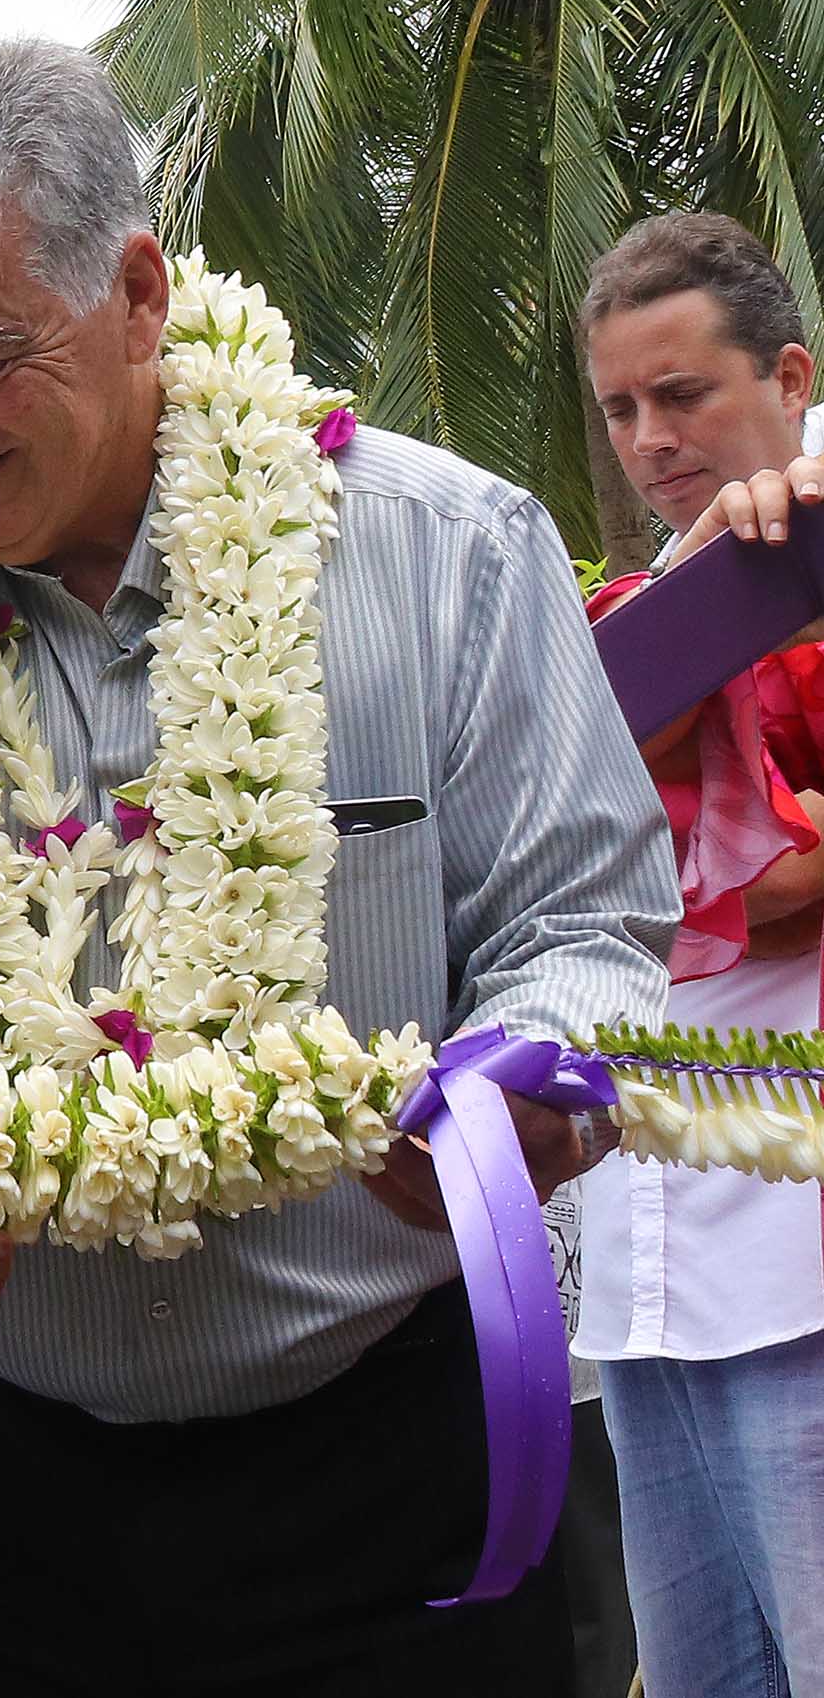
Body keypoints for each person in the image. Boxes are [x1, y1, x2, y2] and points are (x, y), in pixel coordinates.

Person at [0, 39, 674, 1696]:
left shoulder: (443, 552)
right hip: (1, 1491)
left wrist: (521, 1085)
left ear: (140, 292)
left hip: (397, 1455)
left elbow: (584, 920)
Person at [576, 211, 824, 1696]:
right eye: (620, 407)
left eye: (686, 395)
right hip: (644, 1266)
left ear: (789, 375)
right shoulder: (621, 617)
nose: (650, 438)